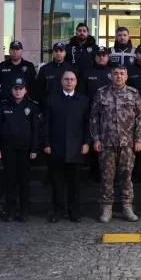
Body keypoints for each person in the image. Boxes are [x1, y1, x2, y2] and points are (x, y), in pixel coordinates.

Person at [90, 65, 141, 223]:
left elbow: (140, 118)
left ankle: (127, 206)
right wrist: (96, 139)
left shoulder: (133, 94)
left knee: (126, 176)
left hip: (127, 143)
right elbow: (94, 118)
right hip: (107, 143)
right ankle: (106, 207)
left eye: (122, 74)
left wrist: (139, 139)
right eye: (115, 74)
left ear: (126, 76)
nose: (119, 76)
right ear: (110, 76)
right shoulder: (101, 93)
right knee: (107, 176)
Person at [39, 70, 91, 223]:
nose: (69, 82)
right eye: (66, 79)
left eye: (72, 79)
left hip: (76, 148)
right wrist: (46, 143)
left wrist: (87, 142)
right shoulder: (52, 99)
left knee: (75, 183)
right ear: (61, 81)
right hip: (56, 147)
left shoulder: (83, 100)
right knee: (57, 183)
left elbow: (88, 123)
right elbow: (45, 124)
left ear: (76, 82)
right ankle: (57, 211)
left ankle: (74, 212)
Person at [0, 77, 38, 222]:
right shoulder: (4, 105)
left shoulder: (32, 106)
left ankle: (24, 212)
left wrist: (34, 149)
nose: (18, 91)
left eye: (21, 89)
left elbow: (35, 129)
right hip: (8, 149)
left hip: (25, 150)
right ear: (12, 90)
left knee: (24, 182)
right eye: (16, 89)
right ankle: (10, 211)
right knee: (10, 181)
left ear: (25, 90)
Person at [0, 41, 37, 114]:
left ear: (21, 51)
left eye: (17, 49)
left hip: (24, 106)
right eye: (12, 49)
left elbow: (34, 87)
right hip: (5, 105)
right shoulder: (2, 66)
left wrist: (33, 105)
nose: (15, 52)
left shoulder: (29, 66)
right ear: (9, 51)